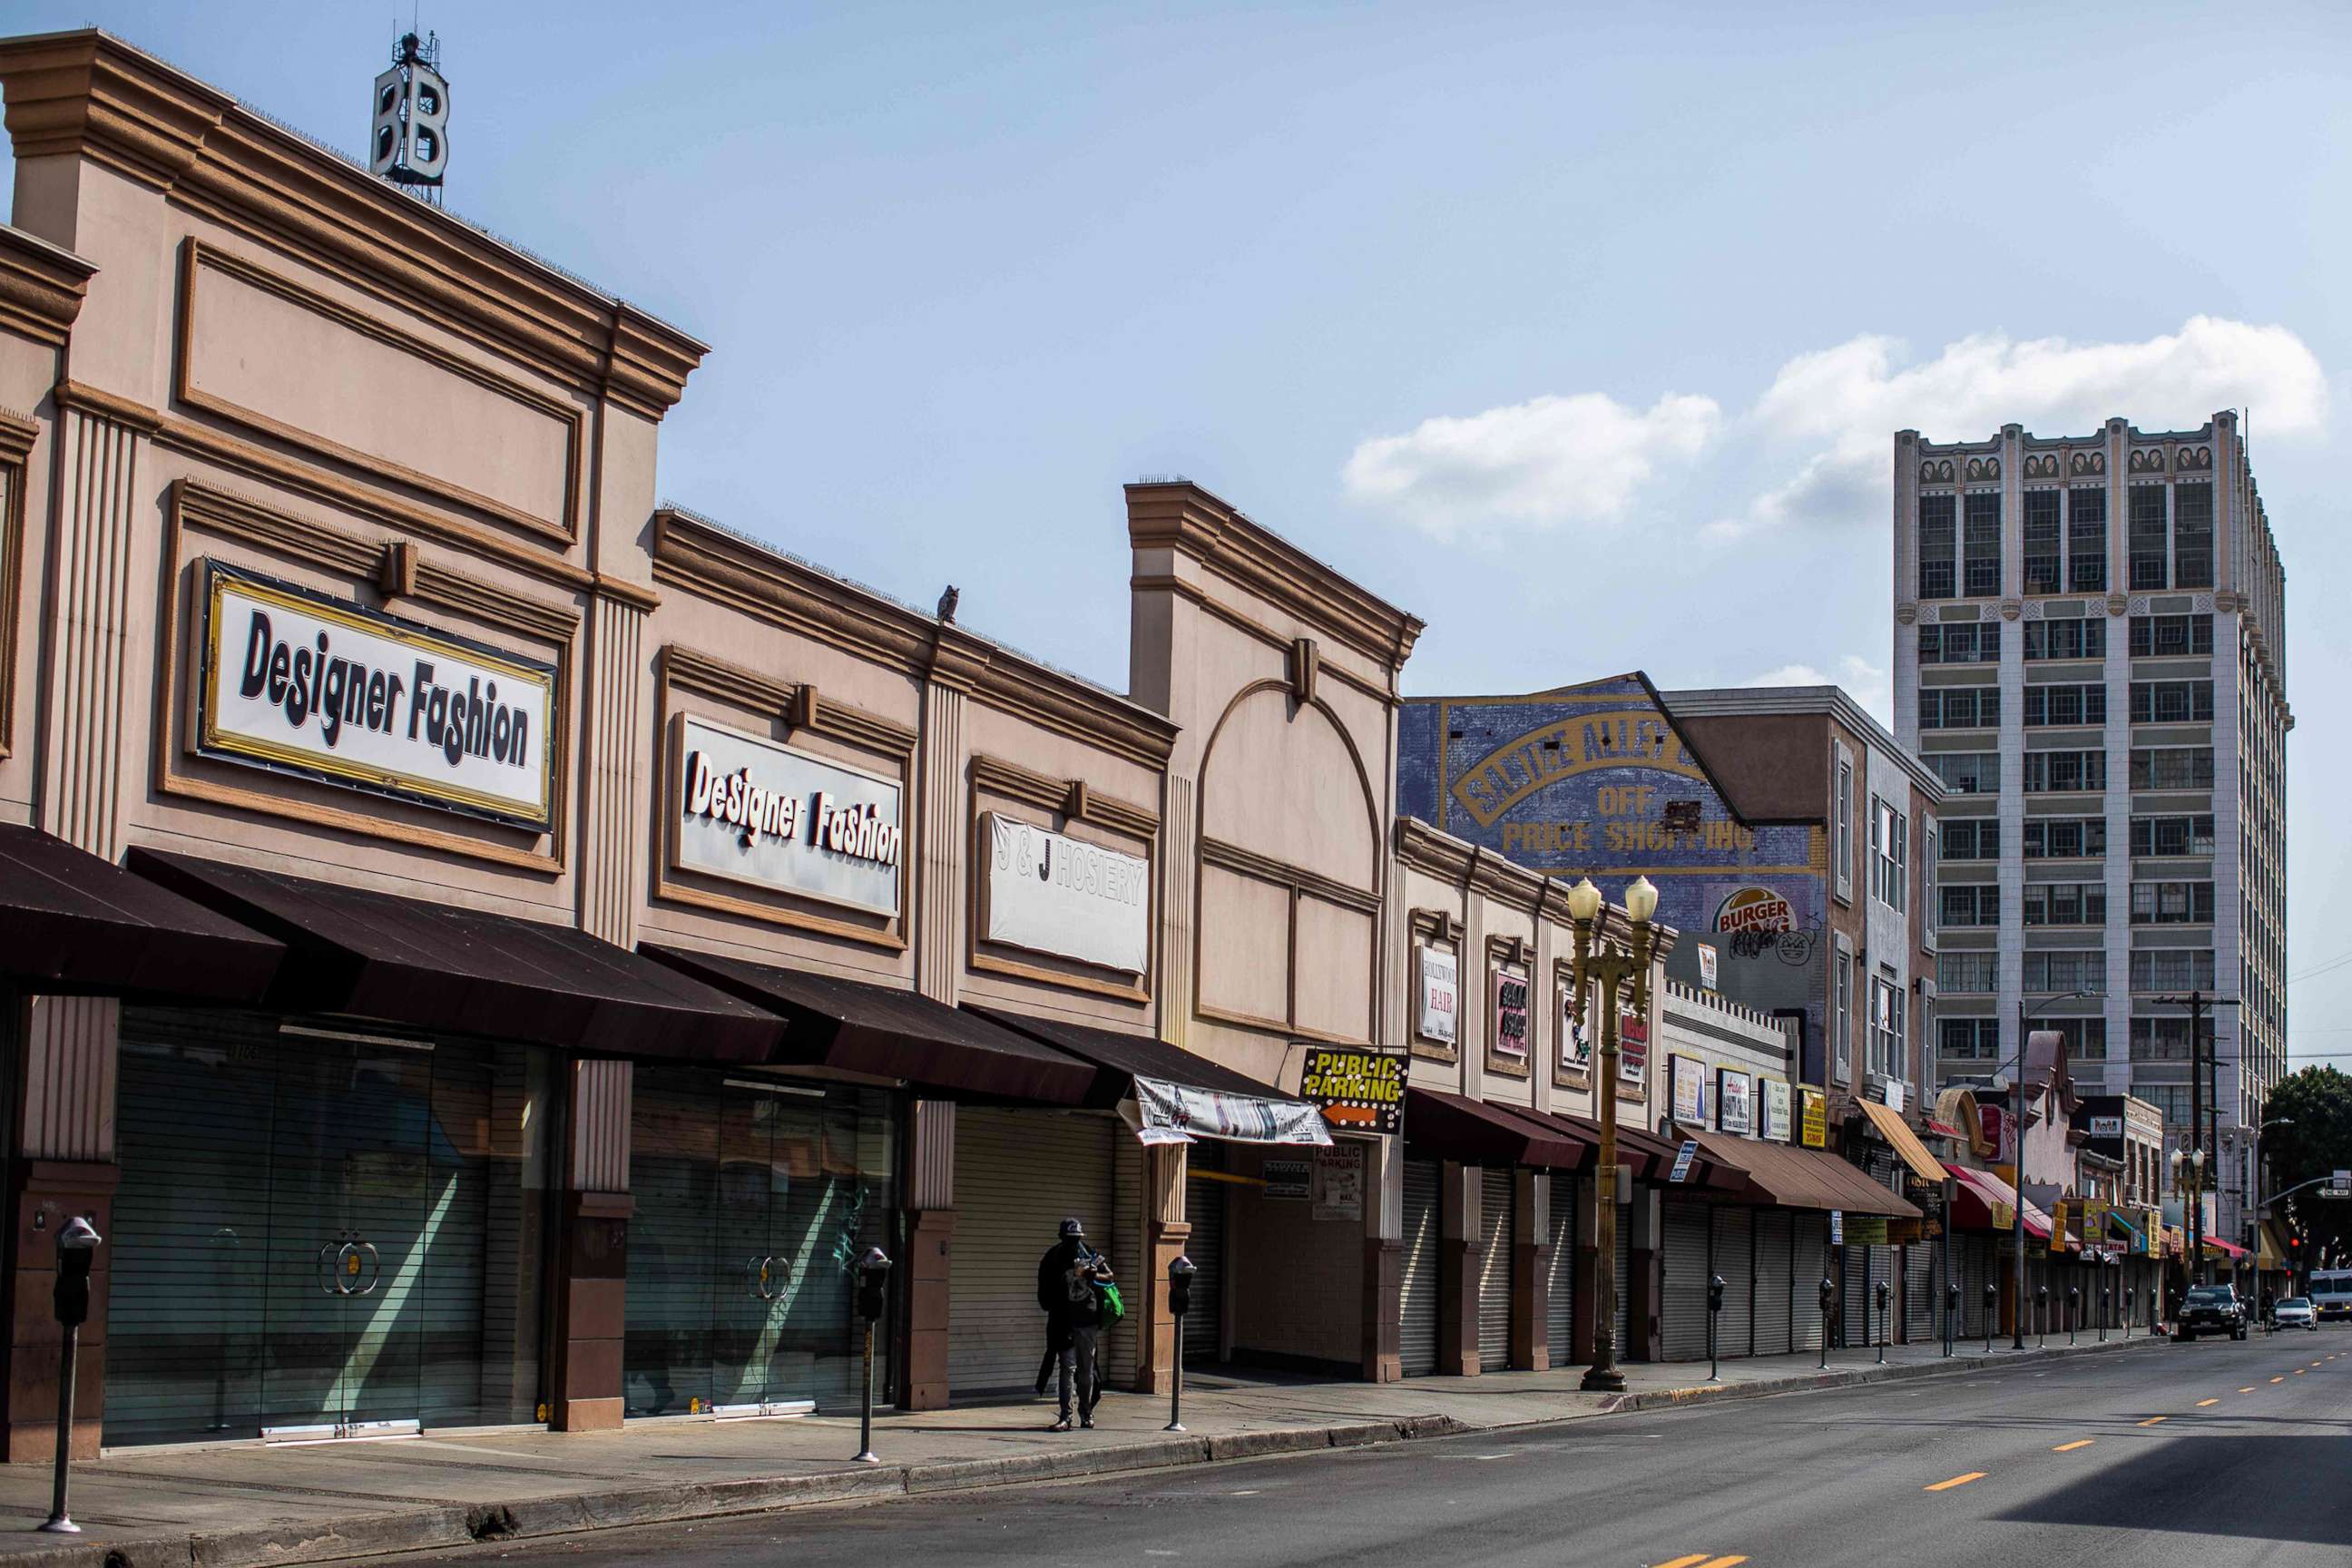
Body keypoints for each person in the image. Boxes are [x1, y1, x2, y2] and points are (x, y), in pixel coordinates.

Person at [1036, 1216, 1110, 1431]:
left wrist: (1093, 1274)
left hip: (1086, 1319)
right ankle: (1066, 1416)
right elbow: (1044, 1293)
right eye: (1070, 1239)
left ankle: (1086, 1413)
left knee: (1086, 1369)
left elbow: (1110, 1275)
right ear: (1061, 1238)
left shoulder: (1089, 1253)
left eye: (1077, 1238)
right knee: (1067, 1368)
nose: (1074, 1243)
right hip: (1062, 1320)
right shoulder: (1053, 1257)